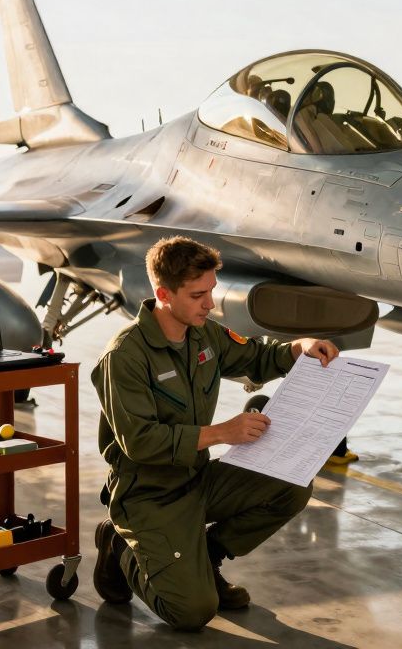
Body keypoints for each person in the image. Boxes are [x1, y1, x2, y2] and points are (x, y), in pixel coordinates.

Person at [91, 236, 339, 630]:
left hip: (197, 480)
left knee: (290, 483)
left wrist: (298, 348)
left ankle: (207, 554)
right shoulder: (125, 356)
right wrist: (223, 432)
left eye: (211, 291)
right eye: (197, 295)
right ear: (163, 293)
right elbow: (139, 441)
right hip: (149, 496)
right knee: (192, 612)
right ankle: (121, 549)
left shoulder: (204, 334)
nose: (209, 303)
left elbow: (257, 357)